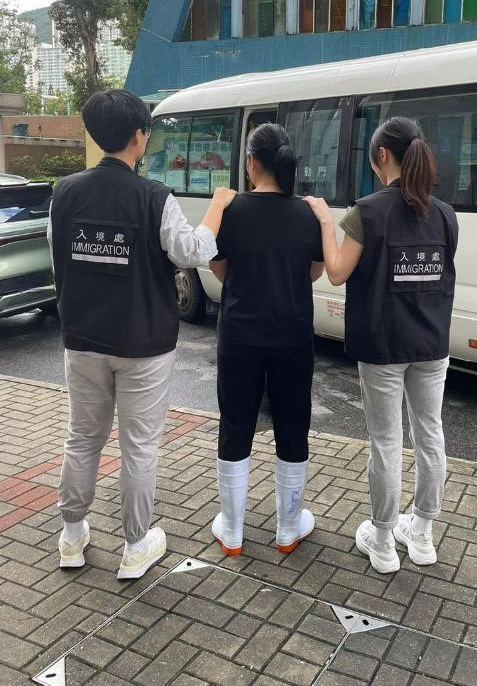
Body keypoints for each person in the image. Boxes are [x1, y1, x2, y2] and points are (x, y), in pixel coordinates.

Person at [49, 89, 235, 580]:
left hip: (82, 339)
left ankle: (71, 536)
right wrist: (217, 206)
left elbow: (59, 255)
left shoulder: (64, 193)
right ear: (139, 137)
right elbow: (191, 251)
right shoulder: (154, 197)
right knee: (138, 446)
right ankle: (135, 546)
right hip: (143, 345)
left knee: (82, 438)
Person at [305, 116, 458, 574]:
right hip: (432, 344)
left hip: (383, 346)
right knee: (430, 434)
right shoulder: (445, 214)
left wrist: (324, 221)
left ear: (382, 156)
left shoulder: (366, 212)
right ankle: (423, 534)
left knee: (386, 442)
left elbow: (336, 272)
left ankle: (384, 541)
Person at [209, 123, 324, 556]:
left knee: (235, 424)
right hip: (292, 336)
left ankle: (232, 532)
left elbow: (219, 268)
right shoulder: (307, 213)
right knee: (293, 425)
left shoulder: (231, 210)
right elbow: (314, 272)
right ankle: (288, 529)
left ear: (252, 163)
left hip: (240, 335)